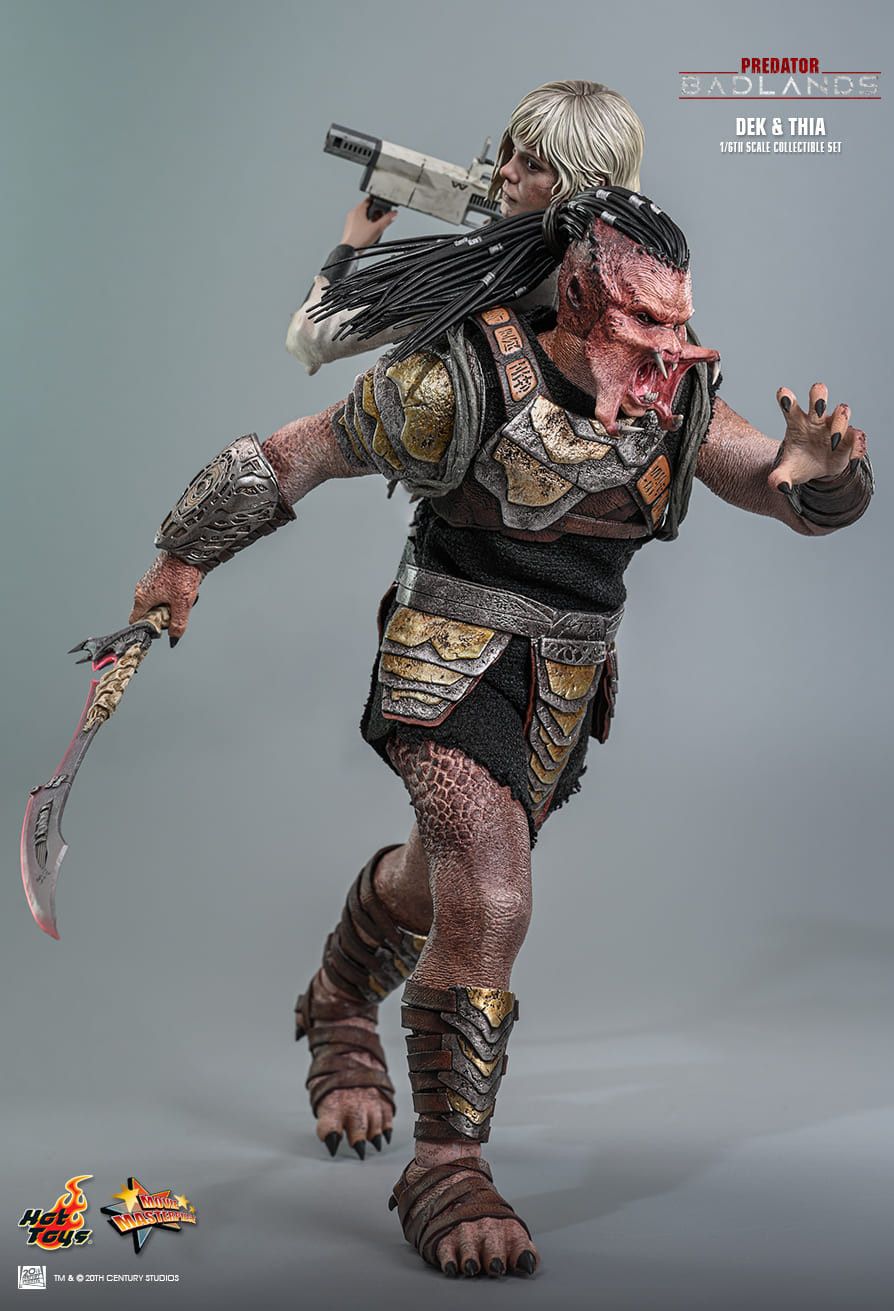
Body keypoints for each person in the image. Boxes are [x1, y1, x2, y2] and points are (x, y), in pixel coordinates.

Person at [130, 187, 872, 1280]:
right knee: (493, 891)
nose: (671, 349)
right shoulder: (457, 385)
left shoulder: (677, 400)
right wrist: (183, 554)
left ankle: (338, 1000)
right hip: (447, 660)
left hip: (562, 686)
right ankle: (448, 1166)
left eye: (680, 320)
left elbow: (784, 489)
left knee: (443, 885)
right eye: (646, 322)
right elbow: (301, 451)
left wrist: (828, 472)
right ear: (577, 295)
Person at [284, 80, 645, 374]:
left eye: (532, 165)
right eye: (512, 153)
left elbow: (310, 335)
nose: (506, 170)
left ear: (588, 185)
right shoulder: (632, 284)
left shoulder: (490, 273)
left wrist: (348, 248)